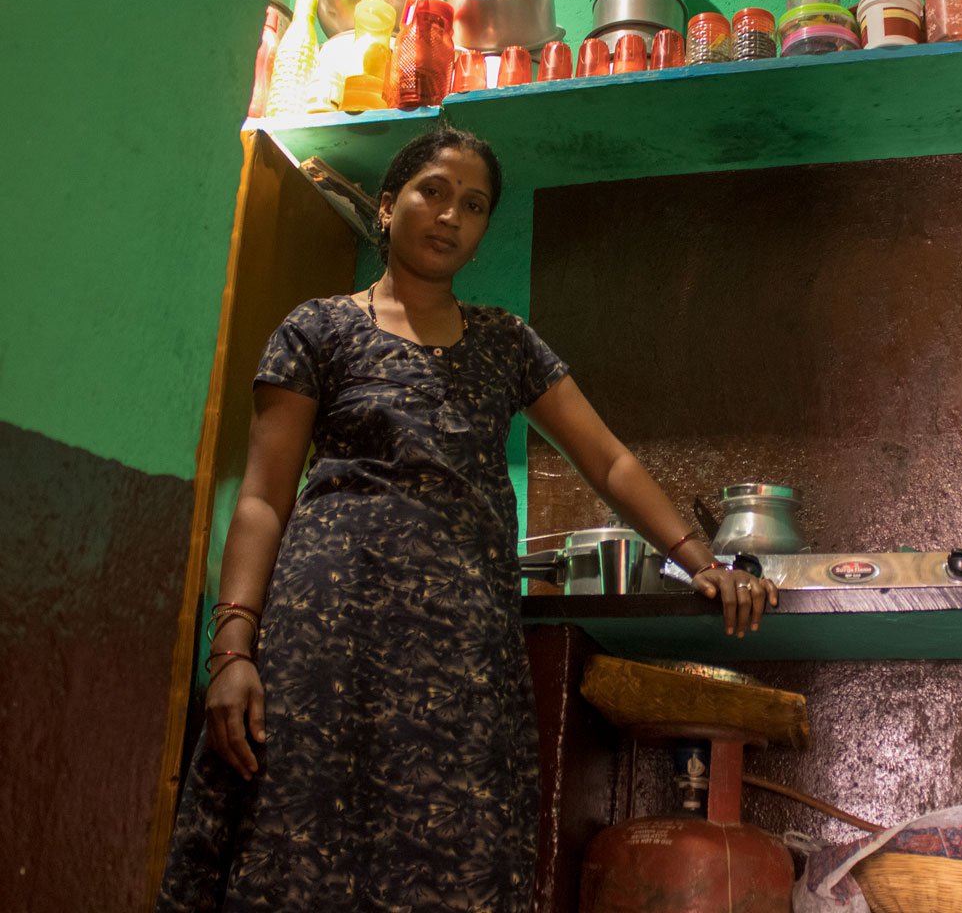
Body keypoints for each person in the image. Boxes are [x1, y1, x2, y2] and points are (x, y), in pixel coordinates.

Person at [158, 126, 778, 912]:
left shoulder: (505, 342)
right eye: (433, 191)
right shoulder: (316, 329)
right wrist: (232, 645)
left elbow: (608, 461)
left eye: (474, 205)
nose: (451, 215)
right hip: (327, 635)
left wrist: (700, 560)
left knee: (456, 850)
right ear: (387, 207)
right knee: (296, 839)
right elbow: (261, 498)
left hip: (461, 650)